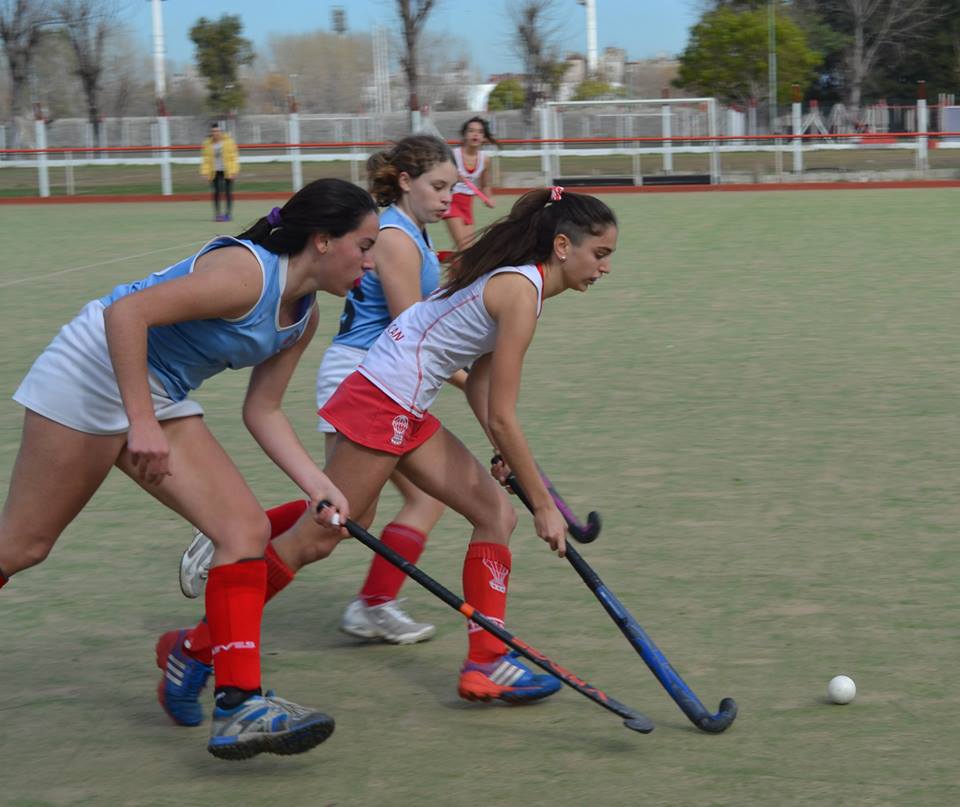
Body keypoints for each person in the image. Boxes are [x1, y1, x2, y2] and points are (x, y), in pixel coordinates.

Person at [162, 185, 618, 719]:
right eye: (600, 254)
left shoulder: (522, 286)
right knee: (315, 541)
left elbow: (479, 388)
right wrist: (543, 503)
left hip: (401, 402)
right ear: (563, 245)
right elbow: (501, 412)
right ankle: (191, 650)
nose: (605, 268)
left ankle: (488, 662)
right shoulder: (521, 292)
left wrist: (505, 456)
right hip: (382, 399)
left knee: (494, 513)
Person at [0, 178, 378, 760]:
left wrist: (319, 487)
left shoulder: (301, 319)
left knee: (243, 532)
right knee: (22, 548)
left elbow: (264, 410)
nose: (371, 264)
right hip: (93, 370)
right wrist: (141, 421)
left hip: (158, 391)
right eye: (365, 246)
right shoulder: (247, 275)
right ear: (324, 241)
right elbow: (126, 314)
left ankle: (238, 706)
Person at [178, 134, 461, 646]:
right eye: (438, 186)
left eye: (453, 188)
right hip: (366, 374)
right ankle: (222, 610)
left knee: (380, 508)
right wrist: (467, 376)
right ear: (404, 182)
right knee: (341, 521)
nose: (447, 197)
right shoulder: (393, 237)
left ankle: (366, 600)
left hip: (389, 378)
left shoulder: (410, 234)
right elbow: (408, 326)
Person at [442, 116, 499, 249]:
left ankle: (454, 270)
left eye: (480, 132)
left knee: (469, 251)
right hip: (452, 202)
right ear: (465, 135)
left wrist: (488, 198)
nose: (475, 134)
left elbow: (485, 185)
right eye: (471, 131)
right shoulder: (452, 155)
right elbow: (440, 179)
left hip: (468, 205)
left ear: (484, 137)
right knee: (463, 247)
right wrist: (453, 176)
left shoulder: (484, 159)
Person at [201, 122, 240, 223]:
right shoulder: (207, 143)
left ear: (221, 132)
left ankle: (228, 214)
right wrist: (205, 172)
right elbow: (206, 159)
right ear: (211, 132)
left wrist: (234, 171)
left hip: (227, 171)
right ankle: (218, 214)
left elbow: (234, 158)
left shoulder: (229, 142)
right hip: (214, 171)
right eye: (213, 131)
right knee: (216, 193)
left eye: (217, 131)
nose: (216, 133)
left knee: (228, 193)